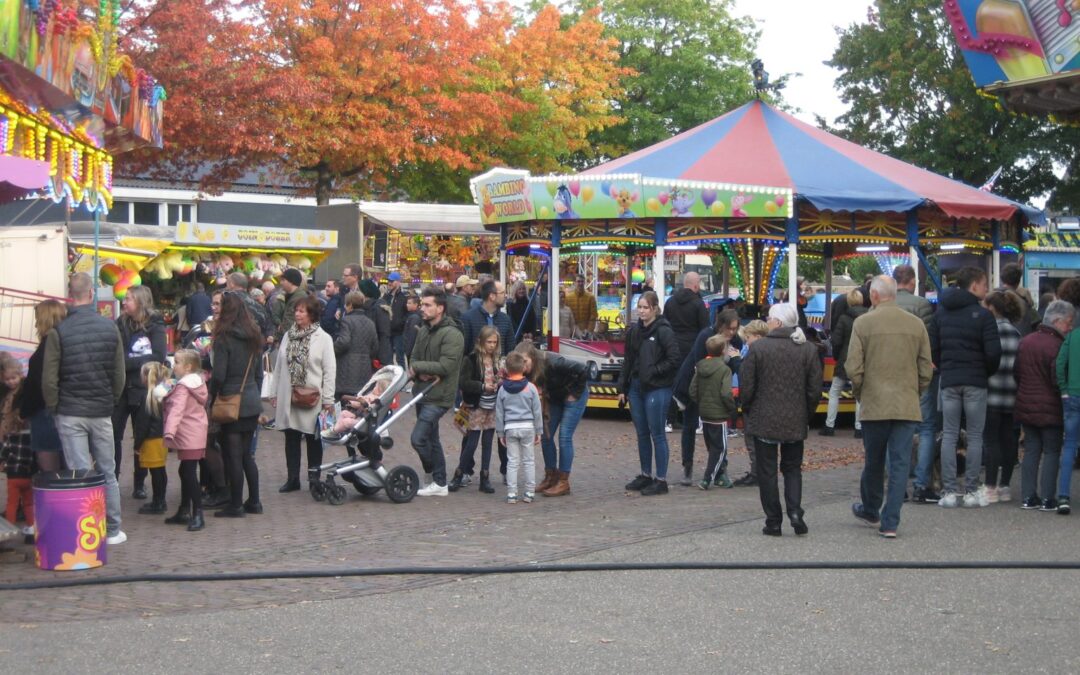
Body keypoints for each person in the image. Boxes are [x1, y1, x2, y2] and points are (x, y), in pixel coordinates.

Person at [44, 272, 128, 546]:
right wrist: (111, 400)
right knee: (107, 472)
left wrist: (55, 408)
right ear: (91, 294)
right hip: (101, 410)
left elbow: (49, 378)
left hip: (69, 411)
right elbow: (119, 374)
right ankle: (113, 529)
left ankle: (88, 532)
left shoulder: (59, 330)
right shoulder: (110, 327)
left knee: (80, 473)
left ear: (71, 296)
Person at [846, 276, 933, 538]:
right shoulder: (916, 325)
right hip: (906, 403)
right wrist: (915, 391)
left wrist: (861, 392)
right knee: (899, 463)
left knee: (874, 461)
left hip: (875, 403)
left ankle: (871, 508)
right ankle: (891, 521)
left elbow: (853, 367)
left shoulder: (862, 323)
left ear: (873, 295)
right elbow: (926, 368)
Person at [739, 303, 821, 536]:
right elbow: (814, 389)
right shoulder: (807, 350)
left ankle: (773, 520)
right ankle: (795, 511)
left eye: (769, 318)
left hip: (764, 417)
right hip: (795, 418)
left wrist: (747, 408)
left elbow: (747, 386)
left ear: (776, 322)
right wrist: (807, 413)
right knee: (792, 468)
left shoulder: (759, 348)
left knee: (767, 471)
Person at [929, 266, 1001, 509]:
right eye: (984, 283)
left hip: (949, 379)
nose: (986, 288)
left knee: (949, 434)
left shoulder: (941, 313)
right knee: (975, 435)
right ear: (973, 285)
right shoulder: (983, 316)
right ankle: (971, 489)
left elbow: (934, 348)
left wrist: (944, 366)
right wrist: (983, 371)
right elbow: (993, 353)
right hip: (976, 380)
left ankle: (949, 490)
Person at [271, 296, 337, 492]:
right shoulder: (288, 336)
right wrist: (274, 392)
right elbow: (279, 366)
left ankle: (314, 478)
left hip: (312, 396)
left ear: (312, 315)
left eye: (302, 311)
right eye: (296, 310)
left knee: (312, 438)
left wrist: (328, 399)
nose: (297, 314)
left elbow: (329, 370)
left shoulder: (323, 338)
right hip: (289, 394)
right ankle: (293, 479)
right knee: (291, 437)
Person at [672, 308, 743, 485]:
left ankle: (719, 470)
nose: (732, 332)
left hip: (714, 390)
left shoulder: (735, 341)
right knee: (690, 425)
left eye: (735, 329)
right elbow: (698, 363)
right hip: (694, 385)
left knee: (716, 430)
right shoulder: (706, 336)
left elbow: (730, 370)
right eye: (729, 328)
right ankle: (687, 467)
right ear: (721, 325)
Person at [620, 291, 681, 496]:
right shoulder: (634, 332)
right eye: (640, 307)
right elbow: (628, 360)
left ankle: (661, 479)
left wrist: (654, 371)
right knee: (642, 432)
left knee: (657, 433)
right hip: (636, 386)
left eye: (646, 307)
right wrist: (622, 387)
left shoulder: (664, 331)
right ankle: (645, 474)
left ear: (655, 308)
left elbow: (674, 359)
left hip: (657, 387)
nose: (642, 311)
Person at [1016, 300, 1075, 512]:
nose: (1070, 328)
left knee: (1031, 450)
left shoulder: (1026, 341)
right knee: (1051, 451)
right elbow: (1057, 379)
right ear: (1057, 321)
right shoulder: (1058, 346)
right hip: (1051, 407)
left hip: (1025, 404)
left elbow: (1018, 374)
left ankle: (1028, 496)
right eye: (1069, 323)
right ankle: (1048, 498)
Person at [210, 293, 266, 517]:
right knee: (246, 456)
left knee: (232, 455)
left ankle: (235, 504)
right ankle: (254, 501)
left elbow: (219, 375)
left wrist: (213, 394)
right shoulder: (254, 336)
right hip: (251, 399)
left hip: (231, 400)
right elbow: (259, 374)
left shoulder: (224, 337)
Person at [408, 287, 465, 496]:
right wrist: (419, 370)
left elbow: (446, 367)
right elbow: (413, 358)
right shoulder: (423, 330)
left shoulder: (452, 334)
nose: (422, 308)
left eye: (427, 305)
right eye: (422, 304)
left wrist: (420, 368)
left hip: (440, 395)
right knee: (431, 438)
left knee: (418, 438)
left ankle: (433, 475)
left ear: (440, 308)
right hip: (422, 391)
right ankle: (438, 481)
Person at [515, 341, 590, 497]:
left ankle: (563, 481)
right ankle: (551, 476)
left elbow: (583, 369)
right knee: (546, 436)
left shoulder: (554, 361)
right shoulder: (528, 371)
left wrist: (574, 393)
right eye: (520, 362)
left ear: (533, 358)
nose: (523, 366)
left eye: (525, 361)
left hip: (574, 395)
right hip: (555, 397)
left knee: (564, 436)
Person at [893, 264, 940, 504]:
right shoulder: (922, 305)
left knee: (896, 429)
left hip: (891, 375)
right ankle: (922, 485)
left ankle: (897, 485)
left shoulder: (884, 305)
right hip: (917, 374)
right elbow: (928, 343)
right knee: (927, 427)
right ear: (912, 281)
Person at [113, 285, 167, 498]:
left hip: (144, 388)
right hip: (121, 388)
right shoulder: (120, 323)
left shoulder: (155, 325)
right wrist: (130, 363)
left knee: (142, 436)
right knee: (113, 435)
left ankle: (139, 482)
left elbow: (158, 356)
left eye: (128, 299)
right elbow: (116, 355)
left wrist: (127, 363)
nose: (124, 302)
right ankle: (113, 479)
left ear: (141, 302)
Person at [159, 349, 209, 531]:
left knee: (188, 473)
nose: (174, 365)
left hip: (189, 434)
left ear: (188, 367)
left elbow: (176, 411)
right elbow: (162, 396)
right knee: (185, 471)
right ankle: (184, 510)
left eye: (177, 362)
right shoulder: (194, 382)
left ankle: (197, 513)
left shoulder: (182, 387)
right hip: (194, 432)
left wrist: (169, 433)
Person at [450, 326, 502, 493]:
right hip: (476, 405)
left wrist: (499, 383)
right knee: (471, 442)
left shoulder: (497, 360)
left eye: (495, 342)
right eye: (489, 342)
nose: (492, 345)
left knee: (487, 443)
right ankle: (459, 474)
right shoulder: (471, 359)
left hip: (492, 406)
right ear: (480, 342)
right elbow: (463, 382)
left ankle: (484, 477)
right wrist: (482, 386)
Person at [17, 299, 67, 472]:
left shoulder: (46, 347)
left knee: (49, 467)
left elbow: (37, 385)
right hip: (63, 409)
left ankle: (53, 498)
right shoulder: (63, 343)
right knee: (65, 462)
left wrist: (24, 411)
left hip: (44, 412)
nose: (36, 323)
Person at [983, 291, 1022, 504]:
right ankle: (1005, 486)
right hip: (1012, 394)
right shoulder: (1016, 333)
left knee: (991, 441)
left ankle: (990, 486)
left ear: (992, 308)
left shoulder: (990, 332)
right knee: (1009, 440)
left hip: (991, 393)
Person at [689, 335, 737, 490]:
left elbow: (692, 390)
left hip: (704, 414)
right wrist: (731, 408)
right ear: (723, 350)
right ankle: (708, 478)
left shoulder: (700, 366)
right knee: (720, 448)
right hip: (719, 415)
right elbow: (725, 393)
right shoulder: (725, 369)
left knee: (712, 447)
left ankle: (719, 477)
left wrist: (701, 403)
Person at [496, 351, 543, 504]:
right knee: (529, 461)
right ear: (523, 368)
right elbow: (537, 411)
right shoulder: (531, 388)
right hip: (528, 427)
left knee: (512, 462)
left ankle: (511, 494)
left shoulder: (502, 389)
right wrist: (539, 430)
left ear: (507, 369)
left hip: (510, 428)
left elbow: (499, 412)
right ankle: (529, 492)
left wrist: (500, 432)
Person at [821, 288, 866, 438]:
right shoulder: (869, 316)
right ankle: (859, 427)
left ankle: (829, 425)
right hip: (861, 359)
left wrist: (836, 356)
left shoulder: (843, 319)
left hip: (844, 359)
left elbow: (837, 340)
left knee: (834, 392)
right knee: (860, 394)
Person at [0, 353, 34, 542]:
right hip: (26, 471)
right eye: (7, 379)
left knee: (12, 502)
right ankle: (30, 528)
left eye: (13, 378)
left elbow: (5, 450)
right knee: (27, 502)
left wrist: (2, 461)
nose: (10, 382)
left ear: (20, 375)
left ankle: (10, 532)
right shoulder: (11, 393)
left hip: (14, 473)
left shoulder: (12, 438)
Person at [133, 362, 171, 516]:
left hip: (151, 439)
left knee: (155, 472)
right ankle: (160, 499)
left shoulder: (147, 397)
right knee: (160, 470)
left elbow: (142, 423)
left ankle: (158, 502)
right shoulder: (162, 392)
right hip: (161, 438)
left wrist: (137, 443)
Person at [334, 291, 379, 400]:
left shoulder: (346, 320)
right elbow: (375, 347)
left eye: (346, 304)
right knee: (359, 402)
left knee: (343, 401)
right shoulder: (370, 322)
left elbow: (344, 342)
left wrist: (332, 349)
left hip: (346, 368)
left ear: (350, 305)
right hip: (365, 368)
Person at [1057, 303, 1080, 513]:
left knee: (1070, 446)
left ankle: (1063, 497)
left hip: (1072, 395)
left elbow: (1059, 364)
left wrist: (1064, 389)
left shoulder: (1072, 338)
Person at [461, 280, 514, 357]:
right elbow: (464, 349)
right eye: (502, 293)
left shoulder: (505, 319)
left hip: (500, 367)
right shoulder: (468, 318)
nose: (505, 296)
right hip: (475, 367)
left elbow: (511, 349)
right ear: (492, 296)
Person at [664, 272, 709, 361]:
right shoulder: (699, 304)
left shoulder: (670, 301)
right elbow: (704, 328)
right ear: (696, 286)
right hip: (692, 347)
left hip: (672, 345)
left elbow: (664, 324)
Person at [227, 272, 272, 342]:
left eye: (227, 283)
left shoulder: (228, 301)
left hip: (235, 345)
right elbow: (267, 326)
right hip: (256, 345)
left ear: (231, 284)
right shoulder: (258, 304)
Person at [358, 279, 393, 367]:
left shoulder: (379, 307)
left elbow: (384, 335)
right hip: (366, 356)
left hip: (378, 359)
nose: (356, 293)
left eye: (358, 290)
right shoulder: (363, 307)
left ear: (365, 292)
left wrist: (383, 362)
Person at [999, 262, 1040, 336]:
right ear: (1019, 280)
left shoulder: (991, 298)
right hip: (1021, 342)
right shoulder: (1025, 301)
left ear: (1002, 278)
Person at [272, 268, 309, 344]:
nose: (281, 283)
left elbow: (289, 324)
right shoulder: (292, 296)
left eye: (283, 280)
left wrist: (275, 337)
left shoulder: (298, 298)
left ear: (291, 282)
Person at [381, 271, 409, 366]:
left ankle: (403, 379)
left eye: (391, 281)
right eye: (388, 281)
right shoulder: (386, 296)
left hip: (399, 333)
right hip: (387, 331)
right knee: (388, 358)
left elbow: (407, 314)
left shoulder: (404, 297)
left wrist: (400, 323)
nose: (389, 283)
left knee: (400, 358)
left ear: (398, 282)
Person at [402, 294, 422, 361]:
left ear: (416, 304)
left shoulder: (414, 317)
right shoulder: (412, 315)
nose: (407, 305)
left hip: (412, 352)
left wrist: (408, 352)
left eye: (409, 303)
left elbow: (412, 336)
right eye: (407, 303)